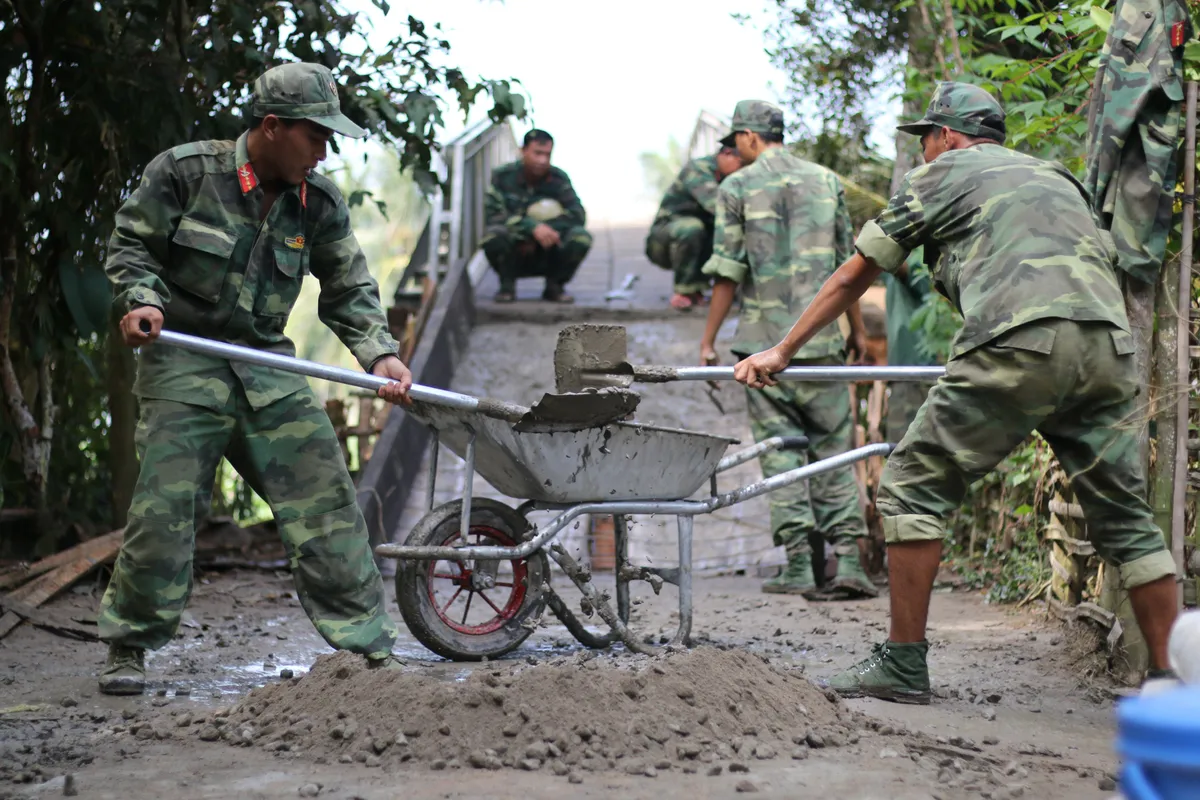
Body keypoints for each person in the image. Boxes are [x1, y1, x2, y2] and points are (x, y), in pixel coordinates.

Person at [734, 81, 1181, 703]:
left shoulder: (941, 176)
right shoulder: (1056, 176)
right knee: (1130, 521)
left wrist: (781, 349)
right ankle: (1168, 678)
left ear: (946, 136)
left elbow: (854, 271)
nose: (925, 151)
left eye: (926, 140)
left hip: (1021, 340)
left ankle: (903, 663)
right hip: (1107, 347)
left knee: (912, 484)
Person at [98, 62, 414, 696]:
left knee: (326, 500)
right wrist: (142, 300)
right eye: (315, 136)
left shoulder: (317, 202)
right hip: (183, 362)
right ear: (272, 127)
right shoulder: (186, 173)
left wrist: (380, 355)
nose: (324, 150)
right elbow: (131, 245)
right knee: (165, 510)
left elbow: (349, 286)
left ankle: (369, 646)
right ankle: (129, 645)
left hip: (268, 367)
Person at [699, 99, 877, 601]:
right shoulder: (825, 181)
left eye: (736, 138)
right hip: (821, 342)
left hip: (762, 348)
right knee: (834, 449)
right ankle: (848, 561)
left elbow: (728, 272)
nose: (734, 147)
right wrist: (857, 333)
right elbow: (852, 266)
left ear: (752, 138)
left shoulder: (735, 187)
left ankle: (800, 563)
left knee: (781, 455)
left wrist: (710, 340)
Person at [481, 129, 592, 304]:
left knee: (580, 237)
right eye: (537, 153)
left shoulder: (558, 178)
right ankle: (507, 285)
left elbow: (577, 213)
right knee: (493, 235)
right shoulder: (503, 177)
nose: (542, 160)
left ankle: (555, 285)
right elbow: (495, 216)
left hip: (550, 248)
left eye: (547, 154)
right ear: (523, 151)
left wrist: (550, 228)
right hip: (517, 248)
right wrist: (531, 228)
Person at [645, 145, 745, 309]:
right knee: (693, 228)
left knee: (722, 230)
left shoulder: (730, 176)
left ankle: (700, 289)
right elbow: (719, 206)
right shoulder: (698, 169)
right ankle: (683, 291)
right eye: (741, 164)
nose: (743, 170)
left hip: (700, 234)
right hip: (664, 238)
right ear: (727, 153)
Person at [883, 247, 939, 444]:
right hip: (901, 371)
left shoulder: (919, 260)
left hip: (917, 370)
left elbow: (903, 269)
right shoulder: (890, 273)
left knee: (906, 450)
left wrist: (876, 245)